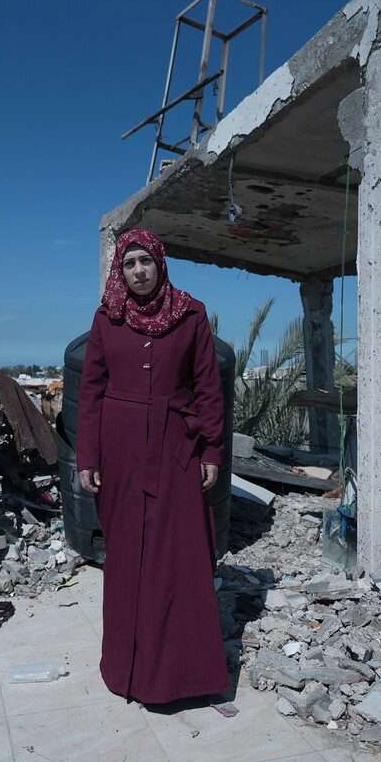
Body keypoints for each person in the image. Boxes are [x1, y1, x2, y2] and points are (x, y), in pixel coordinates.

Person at [76, 227, 229, 705]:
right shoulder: (107, 319)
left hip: (175, 448)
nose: (138, 271)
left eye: (146, 261)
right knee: (124, 559)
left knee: (179, 560)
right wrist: (88, 456)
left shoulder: (190, 315)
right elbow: (91, 392)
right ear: (119, 271)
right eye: (129, 264)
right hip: (118, 452)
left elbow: (208, 388)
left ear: (160, 264)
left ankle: (181, 678)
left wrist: (211, 451)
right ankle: (125, 670)